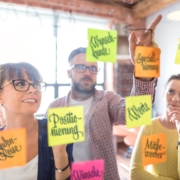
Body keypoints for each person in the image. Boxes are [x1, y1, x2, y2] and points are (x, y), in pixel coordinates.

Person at [46, 15, 162, 180]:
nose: (87, 72)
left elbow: (136, 113)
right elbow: (47, 152)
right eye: (80, 67)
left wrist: (143, 66)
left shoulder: (107, 99)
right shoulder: (54, 107)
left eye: (93, 68)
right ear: (68, 72)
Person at [0, 62, 73, 180]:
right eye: (20, 83)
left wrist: (60, 154)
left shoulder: (58, 131)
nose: (33, 89)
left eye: (36, 84)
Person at [130, 74, 180, 180]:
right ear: (163, 95)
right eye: (171, 92)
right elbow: (135, 173)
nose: (175, 98)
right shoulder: (150, 128)